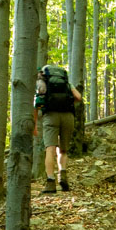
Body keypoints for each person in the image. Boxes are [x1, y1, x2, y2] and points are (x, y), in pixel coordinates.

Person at [34, 64, 82, 194]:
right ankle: (63, 177)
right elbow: (78, 97)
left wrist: (34, 125)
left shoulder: (42, 83)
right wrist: (68, 104)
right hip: (68, 116)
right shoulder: (67, 84)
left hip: (50, 116)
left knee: (50, 149)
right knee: (63, 150)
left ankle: (50, 182)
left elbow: (37, 104)